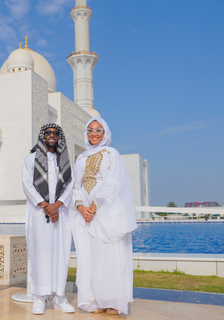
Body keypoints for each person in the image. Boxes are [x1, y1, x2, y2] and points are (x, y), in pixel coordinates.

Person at [71, 117, 137, 315]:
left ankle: (113, 301)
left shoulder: (111, 154)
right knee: (91, 258)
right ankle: (96, 301)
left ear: (105, 133)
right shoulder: (81, 158)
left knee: (110, 258)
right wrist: (81, 207)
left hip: (107, 212)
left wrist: (95, 205)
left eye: (98, 130)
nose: (94, 134)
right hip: (86, 215)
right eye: (90, 130)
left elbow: (114, 182)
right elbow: (75, 185)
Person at [22, 123, 75, 315]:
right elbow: (27, 185)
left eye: (55, 133)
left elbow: (70, 185)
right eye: (48, 133)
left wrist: (57, 206)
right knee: (40, 252)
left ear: (59, 137)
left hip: (60, 214)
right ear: (42, 136)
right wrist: (46, 206)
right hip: (39, 215)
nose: (51, 136)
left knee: (61, 253)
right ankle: (39, 296)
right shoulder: (31, 159)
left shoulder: (66, 161)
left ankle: (59, 297)